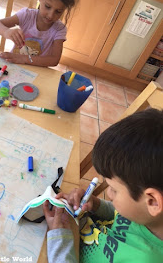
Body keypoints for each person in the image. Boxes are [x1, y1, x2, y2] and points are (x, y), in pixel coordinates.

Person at [43, 108, 163, 263]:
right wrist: (96, 204)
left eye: (114, 189)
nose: (110, 195)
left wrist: (59, 239)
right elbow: (119, 216)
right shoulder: (145, 213)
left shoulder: (147, 259)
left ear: (153, 201)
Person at [0, 0, 78, 67]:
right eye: (47, 6)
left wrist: (24, 59)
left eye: (58, 11)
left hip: (37, 72)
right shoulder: (27, 15)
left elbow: (54, 60)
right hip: (14, 66)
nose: (51, 15)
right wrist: (6, 31)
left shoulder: (59, 29)